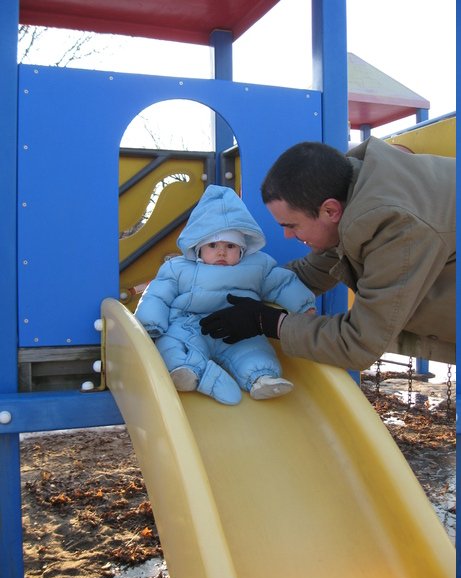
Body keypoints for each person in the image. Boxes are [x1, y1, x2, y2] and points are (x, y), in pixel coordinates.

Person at [200, 137, 456, 371]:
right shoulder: (352, 192)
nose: (287, 235)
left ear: (330, 211)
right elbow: (310, 273)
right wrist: (231, 283)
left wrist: (266, 322)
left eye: (292, 225)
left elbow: (358, 343)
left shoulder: (397, 227)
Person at [135, 184, 316, 405]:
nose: (221, 252)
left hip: (239, 328)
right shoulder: (178, 268)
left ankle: (262, 378)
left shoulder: (257, 266)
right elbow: (157, 296)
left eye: (230, 246)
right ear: (198, 248)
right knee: (170, 347)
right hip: (189, 326)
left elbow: (281, 283)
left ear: (242, 249)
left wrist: (303, 305)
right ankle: (193, 373)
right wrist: (151, 323)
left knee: (254, 350)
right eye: (212, 245)